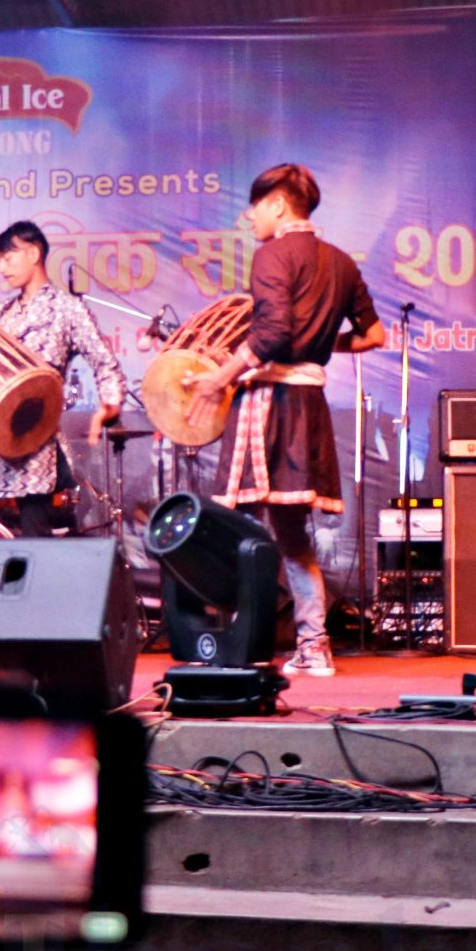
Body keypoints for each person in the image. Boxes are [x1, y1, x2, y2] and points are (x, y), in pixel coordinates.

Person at [182, 164, 389, 678]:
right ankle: (313, 645)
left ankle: (241, 640)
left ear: (277, 204)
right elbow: (374, 336)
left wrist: (219, 377)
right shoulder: (341, 262)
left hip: (269, 403)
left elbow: (272, 334)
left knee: (242, 525)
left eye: (254, 206)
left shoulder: (273, 254)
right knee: (292, 532)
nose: (249, 217)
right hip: (307, 403)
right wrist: (316, 346)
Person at [0, 221, 126, 538]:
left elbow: (104, 361)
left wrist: (109, 404)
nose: (2, 269)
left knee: (35, 533)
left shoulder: (66, 308)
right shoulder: (1, 312)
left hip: (34, 432)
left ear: (33, 253)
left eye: (8, 258)